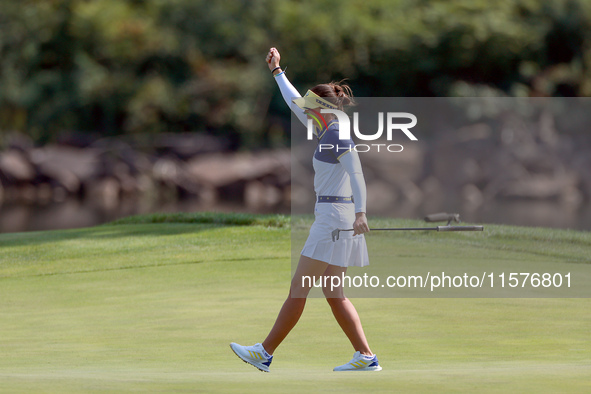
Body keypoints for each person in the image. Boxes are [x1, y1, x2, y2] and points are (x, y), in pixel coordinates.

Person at [230, 47, 381, 372]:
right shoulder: (326, 127)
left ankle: (264, 352)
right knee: (333, 291)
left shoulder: (337, 135)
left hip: (333, 220)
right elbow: (293, 102)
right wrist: (277, 71)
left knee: (300, 287)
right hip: (335, 217)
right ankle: (366, 357)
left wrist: (361, 213)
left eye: (311, 105)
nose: (305, 109)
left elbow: (357, 173)